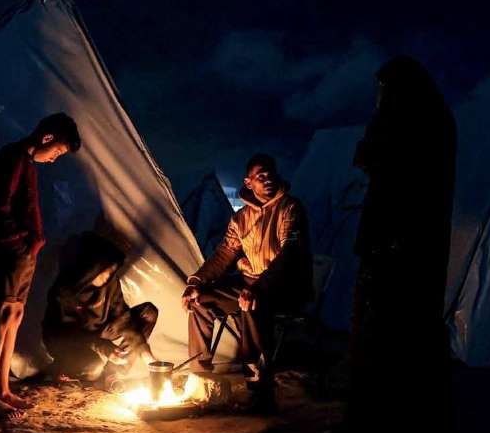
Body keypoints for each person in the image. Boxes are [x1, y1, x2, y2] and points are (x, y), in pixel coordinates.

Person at [346, 56, 457, 433]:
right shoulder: (428, 123)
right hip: (401, 243)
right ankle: (394, 416)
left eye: (384, 89)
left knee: (394, 331)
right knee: (395, 331)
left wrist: (392, 240)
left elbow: (379, 164)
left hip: (400, 246)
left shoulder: (416, 126)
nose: (379, 96)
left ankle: (394, 421)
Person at [182, 153, 311, 411]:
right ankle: (200, 376)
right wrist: (196, 281)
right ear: (249, 182)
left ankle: (258, 388)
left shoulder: (290, 208)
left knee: (249, 304)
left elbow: (289, 255)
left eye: (270, 174)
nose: (268, 180)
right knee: (201, 301)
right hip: (250, 284)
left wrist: (258, 288)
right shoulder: (241, 218)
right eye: (260, 176)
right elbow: (225, 252)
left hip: (283, 286)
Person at [0, 113, 81, 419]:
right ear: (47, 138)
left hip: (23, 251)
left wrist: (31, 244)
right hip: (9, 250)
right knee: (3, 315)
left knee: (15, 316)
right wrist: (20, 242)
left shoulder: (27, 163)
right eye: (58, 152)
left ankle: (3, 389)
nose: (55, 159)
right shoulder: (13, 158)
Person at [43, 227, 158, 389]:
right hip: (67, 340)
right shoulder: (65, 290)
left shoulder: (110, 283)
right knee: (92, 368)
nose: (109, 275)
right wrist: (105, 348)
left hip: (99, 331)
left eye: (112, 270)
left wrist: (142, 346)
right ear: (93, 266)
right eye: (106, 270)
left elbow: (123, 317)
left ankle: (112, 373)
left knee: (148, 313)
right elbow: (69, 333)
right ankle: (60, 368)